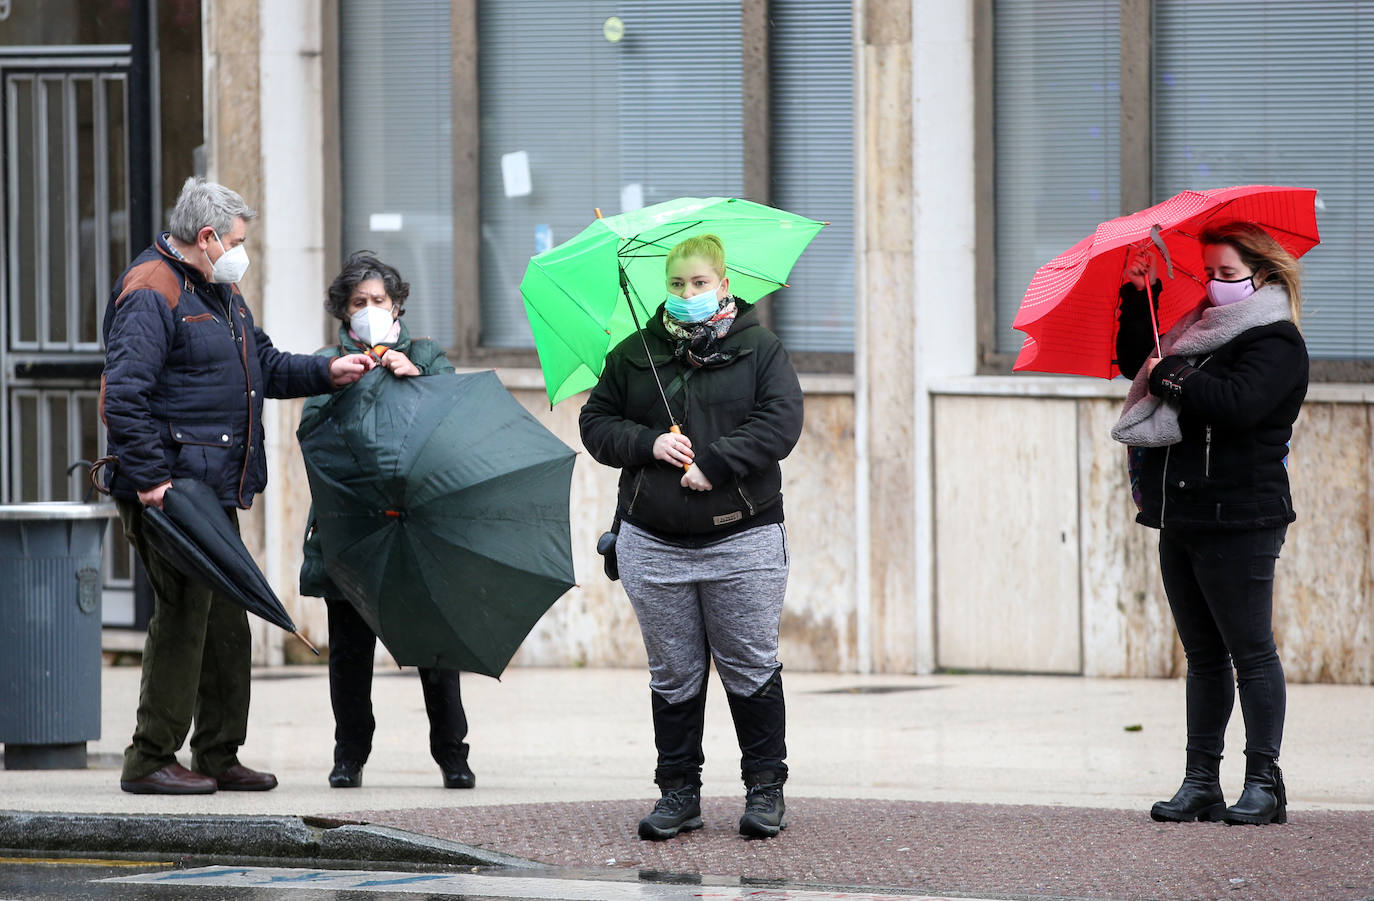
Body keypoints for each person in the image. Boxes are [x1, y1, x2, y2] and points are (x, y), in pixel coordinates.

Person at [102, 177, 373, 795]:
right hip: (172, 491)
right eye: (238, 240)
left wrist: (329, 371)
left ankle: (218, 752)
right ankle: (149, 757)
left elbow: (266, 365)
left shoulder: (219, 290)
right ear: (206, 237)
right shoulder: (153, 289)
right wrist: (150, 483)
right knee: (184, 615)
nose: (242, 251)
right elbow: (124, 396)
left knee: (228, 620)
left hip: (210, 487)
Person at [579, 234, 804, 840]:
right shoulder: (634, 355)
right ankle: (678, 794)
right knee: (674, 673)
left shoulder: (760, 349)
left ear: (724, 284)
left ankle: (764, 791)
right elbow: (596, 425)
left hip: (743, 539)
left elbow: (781, 424)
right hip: (653, 543)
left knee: (750, 666)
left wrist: (716, 462)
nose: (688, 294)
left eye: (700, 283)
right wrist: (648, 442)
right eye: (677, 284)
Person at [1113, 221, 1308, 826]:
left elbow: (1236, 404)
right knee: (1202, 656)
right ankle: (1201, 781)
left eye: (1228, 275)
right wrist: (1134, 296)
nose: (1216, 286)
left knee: (1250, 652)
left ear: (1265, 275)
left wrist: (1171, 372)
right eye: (1210, 274)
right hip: (1181, 512)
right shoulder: (1197, 331)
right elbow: (1135, 363)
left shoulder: (1275, 342)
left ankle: (1263, 782)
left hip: (1242, 515)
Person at [298, 252, 475, 791]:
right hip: (351, 527)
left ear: (397, 305)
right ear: (343, 313)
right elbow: (313, 439)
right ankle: (349, 754)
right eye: (359, 303)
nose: (370, 310)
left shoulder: (426, 356)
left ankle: (453, 754)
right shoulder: (330, 362)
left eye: (378, 300)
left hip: (417, 526)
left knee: (435, 648)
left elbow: (453, 424)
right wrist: (345, 384)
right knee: (349, 654)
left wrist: (415, 378)